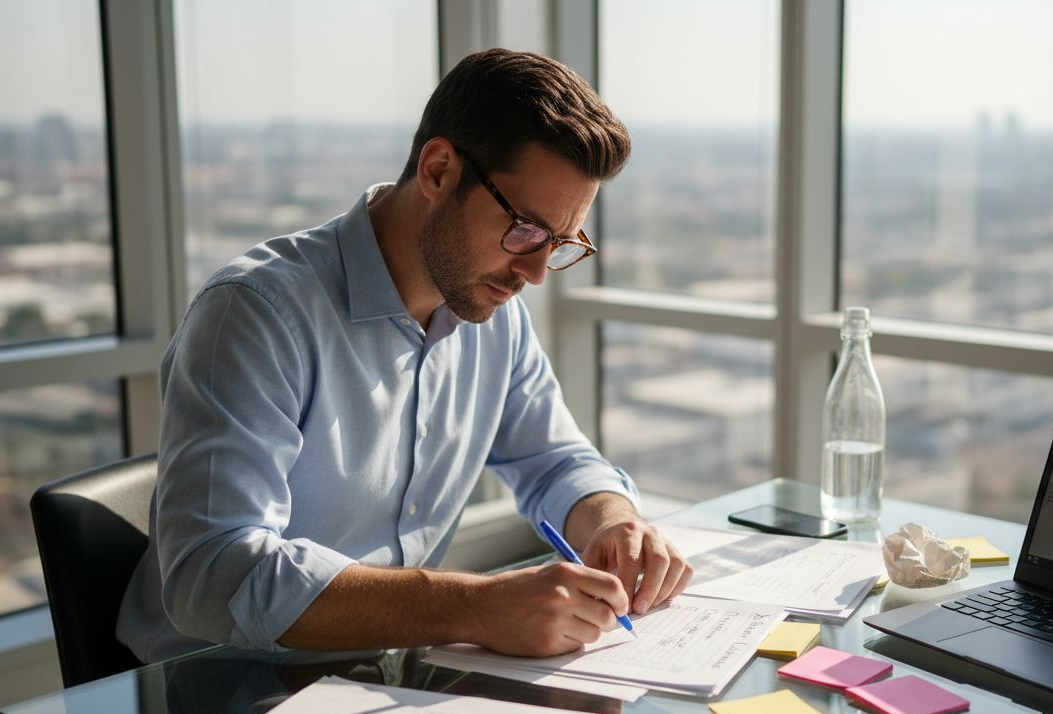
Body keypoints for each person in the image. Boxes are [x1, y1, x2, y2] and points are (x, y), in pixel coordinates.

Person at [117, 49, 693, 664]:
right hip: (216, 691)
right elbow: (213, 572)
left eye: (558, 242)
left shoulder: (492, 312)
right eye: (524, 227)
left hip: (380, 679)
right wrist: (473, 607)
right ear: (440, 170)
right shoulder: (256, 314)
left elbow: (552, 460)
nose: (534, 271)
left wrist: (612, 522)